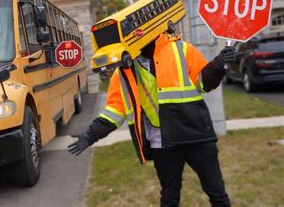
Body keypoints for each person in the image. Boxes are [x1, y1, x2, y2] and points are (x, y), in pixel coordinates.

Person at [68, 32, 235, 207]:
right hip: (163, 143)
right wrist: (90, 135)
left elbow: (203, 83)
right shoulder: (123, 72)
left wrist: (219, 64)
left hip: (196, 136)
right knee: (169, 198)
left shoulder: (181, 49)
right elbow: (115, 110)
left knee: (217, 195)